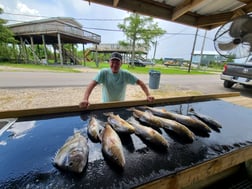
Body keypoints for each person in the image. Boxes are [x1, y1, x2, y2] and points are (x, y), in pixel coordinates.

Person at [79, 52, 155, 108]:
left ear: (121, 64)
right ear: (109, 62)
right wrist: (85, 99)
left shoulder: (125, 74)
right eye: (112, 62)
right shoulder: (103, 72)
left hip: (120, 105)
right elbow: (92, 84)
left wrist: (148, 95)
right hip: (105, 105)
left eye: (117, 62)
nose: (114, 65)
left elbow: (140, 83)